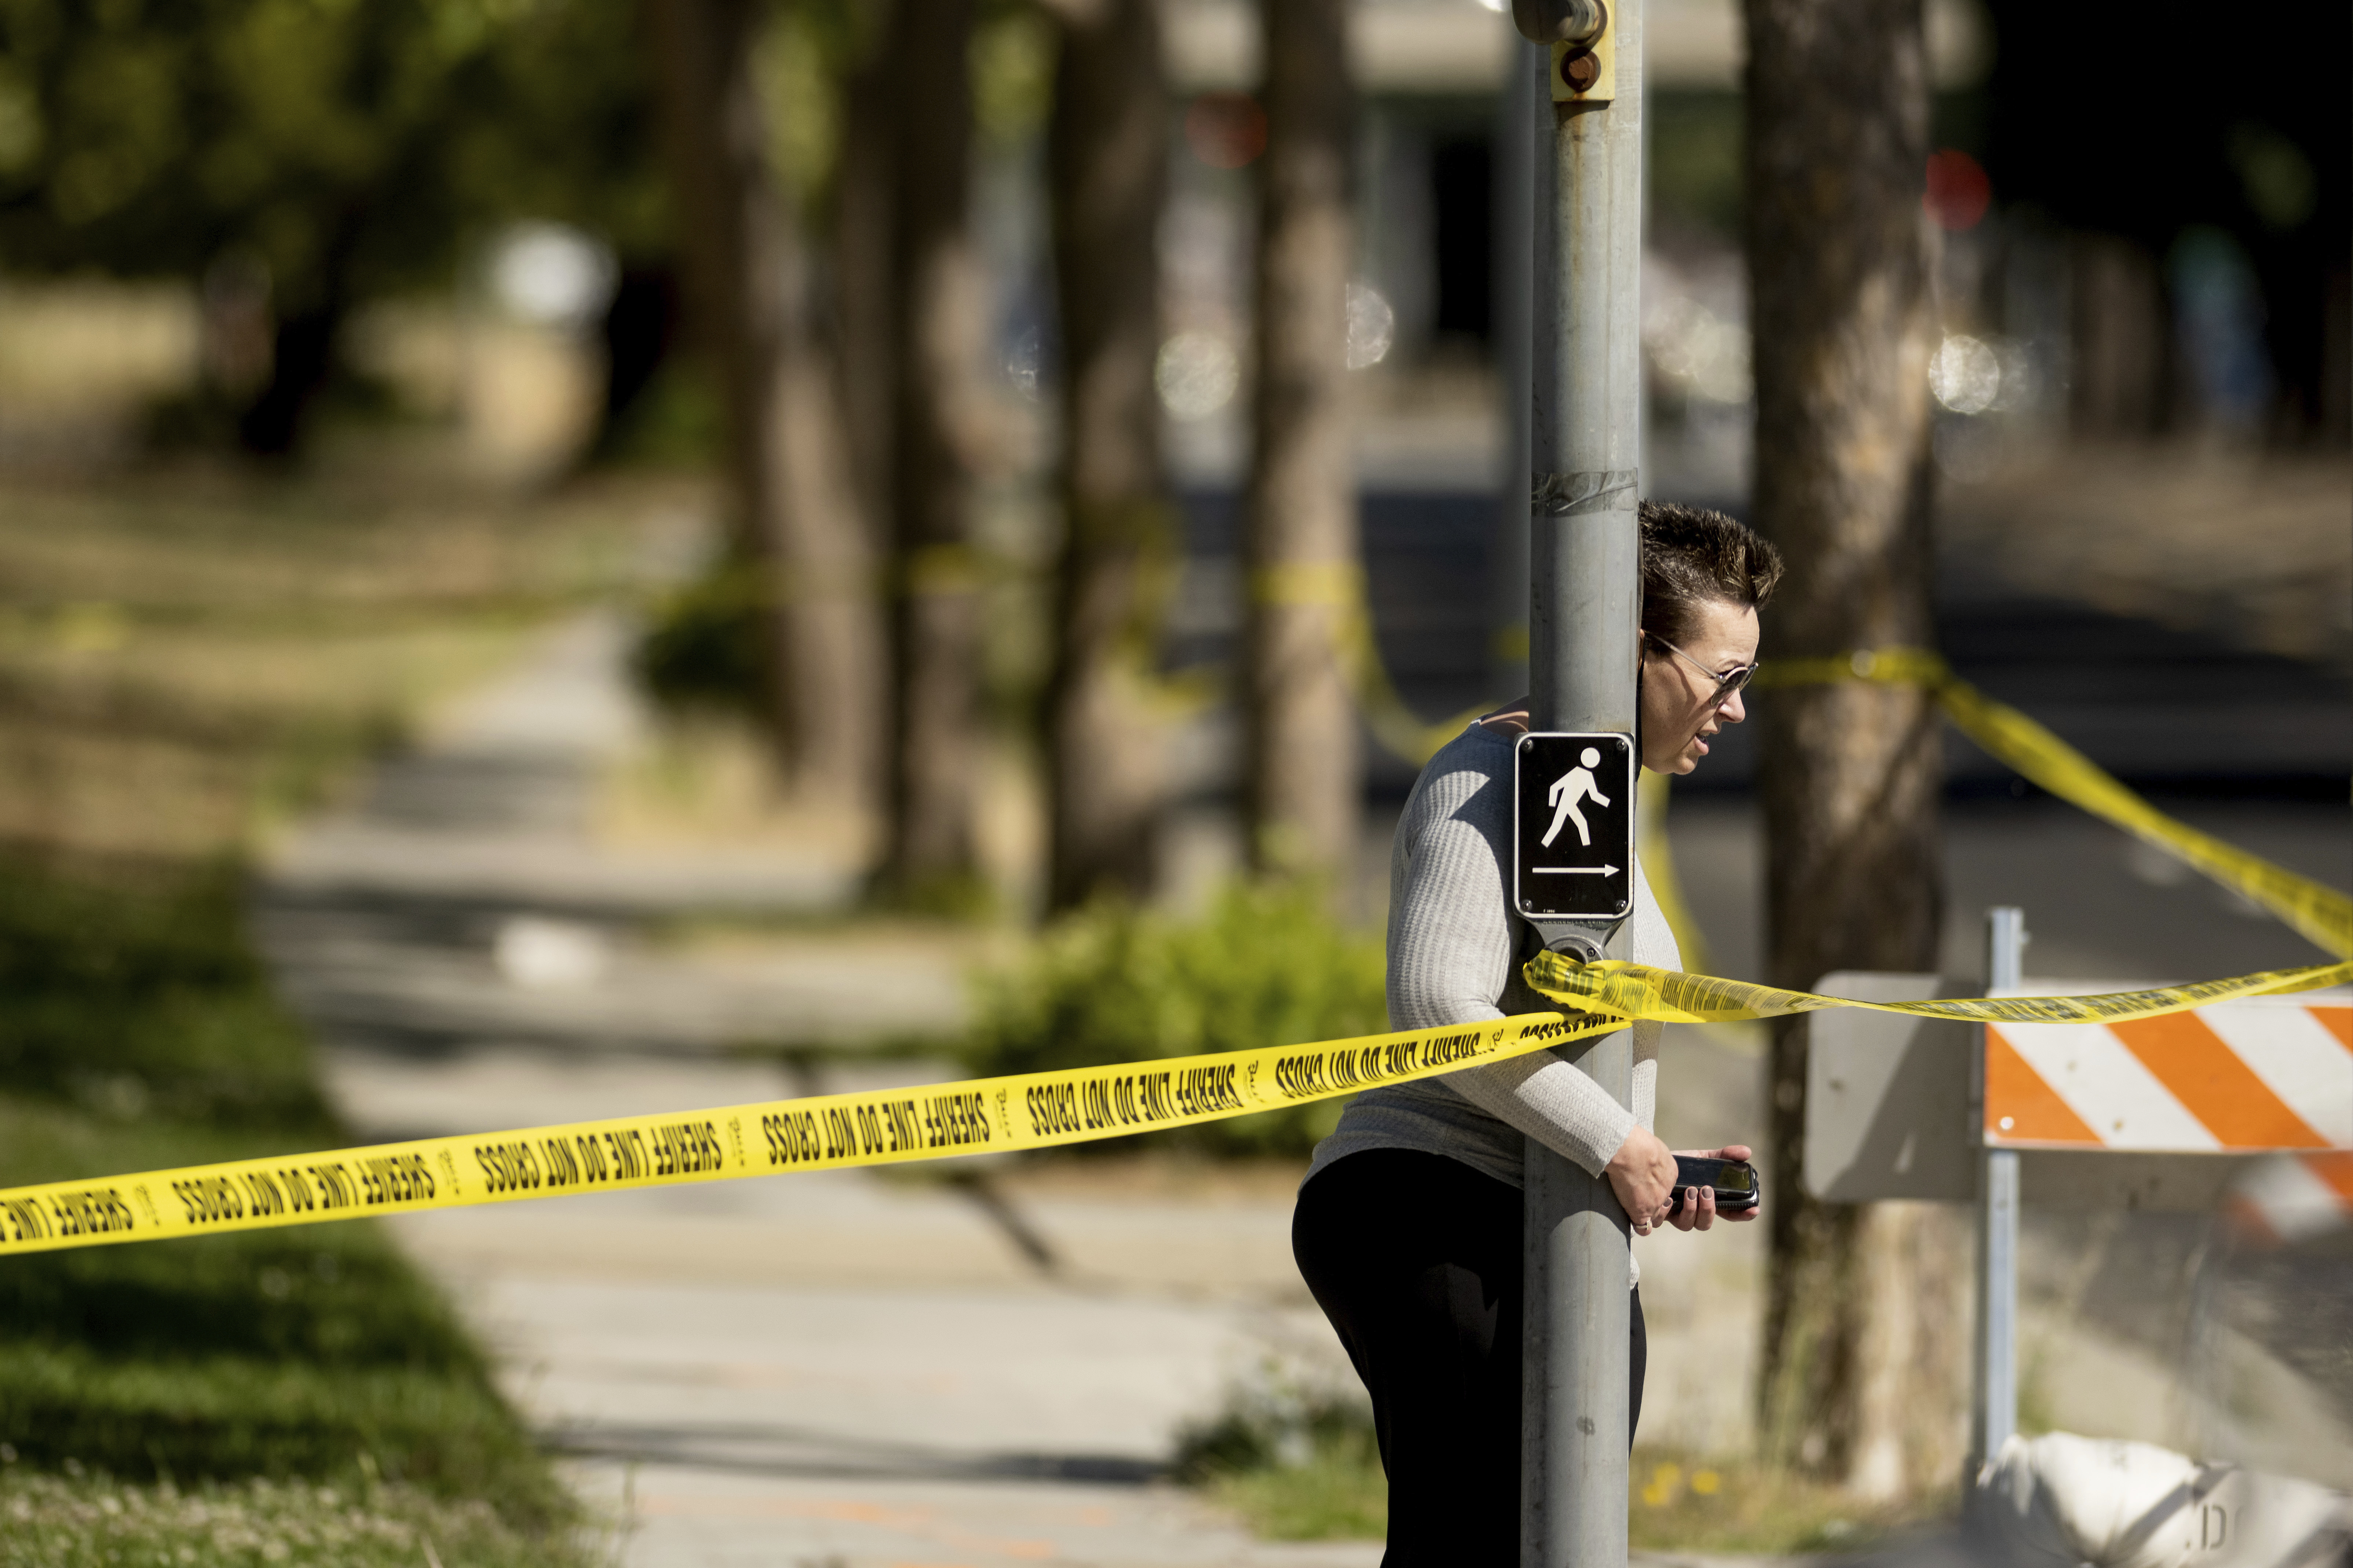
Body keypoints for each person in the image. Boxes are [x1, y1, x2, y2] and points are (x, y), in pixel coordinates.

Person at [1290, 501, 1782, 1565]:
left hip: (1547, 1216)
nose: (1737, 709)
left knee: (1563, 1540)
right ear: (1623, 645)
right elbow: (1437, 1001)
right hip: (1429, 1205)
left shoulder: (1591, 796)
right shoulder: (1488, 774)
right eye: (1723, 675)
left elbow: (1573, 1022)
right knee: (1469, 1544)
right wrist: (1612, 1143)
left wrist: (1652, 1156)